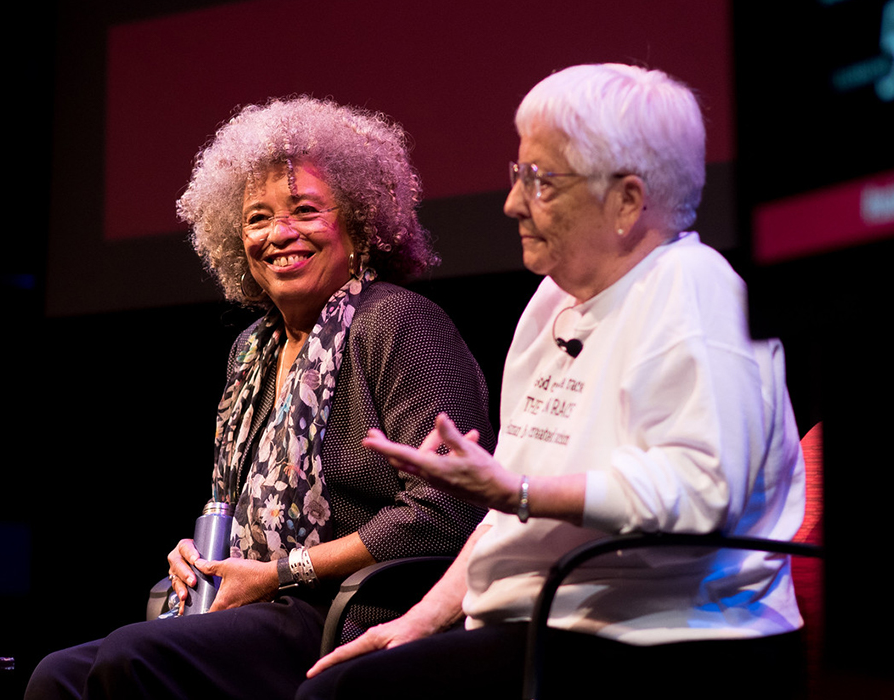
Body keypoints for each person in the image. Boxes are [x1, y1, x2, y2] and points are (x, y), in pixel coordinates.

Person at [299, 64, 808, 699]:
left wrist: (520, 489)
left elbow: (700, 492)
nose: (513, 203)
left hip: (661, 641)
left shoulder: (693, 289)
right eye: (520, 176)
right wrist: (422, 619)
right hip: (546, 628)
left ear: (626, 200)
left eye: (541, 181)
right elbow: (511, 518)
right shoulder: (551, 304)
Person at [25, 97, 492, 699]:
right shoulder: (252, 350)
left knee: (130, 658)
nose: (279, 235)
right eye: (257, 218)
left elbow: (449, 510)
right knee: (55, 675)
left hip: (343, 612)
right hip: (253, 605)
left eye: (305, 210)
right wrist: (199, 554)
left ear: (359, 224)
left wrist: (280, 572)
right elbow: (234, 505)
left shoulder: (399, 323)